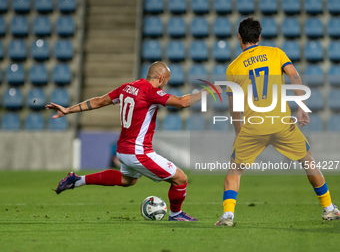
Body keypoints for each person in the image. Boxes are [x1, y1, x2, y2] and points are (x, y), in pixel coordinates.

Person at [47, 61, 221, 222]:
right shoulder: (150, 91)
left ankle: (77, 180)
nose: (164, 85)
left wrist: (68, 110)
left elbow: (99, 101)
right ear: (161, 78)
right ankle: (176, 214)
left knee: (127, 180)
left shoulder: (127, 87)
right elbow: (182, 102)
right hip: (138, 152)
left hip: (123, 150)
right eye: (165, 82)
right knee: (180, 179)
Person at [215, 17, 340, 226]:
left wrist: (239, 133)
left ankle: (228, 215)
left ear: (239, 37)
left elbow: (234, 107)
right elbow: (295, 78)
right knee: (308, 160)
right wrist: (301, 108)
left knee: (234, 171)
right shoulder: (276, 53)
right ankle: (329, 208)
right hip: (281, 122)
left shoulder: (233, 68)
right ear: (259, 37)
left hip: (253, 126)